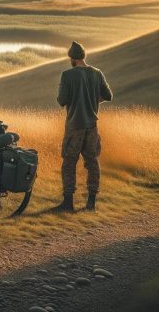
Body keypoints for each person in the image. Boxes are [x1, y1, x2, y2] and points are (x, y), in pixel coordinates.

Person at [54, 41, 112, 212]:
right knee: (92, 162)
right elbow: (108, 96)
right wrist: (93, 100)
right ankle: (91, 203)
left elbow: (62, 100)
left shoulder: (67, 75)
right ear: (84, 56)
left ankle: (68, 203)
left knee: (69, 163)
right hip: (92, 126)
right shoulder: (97, 73)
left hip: (74, 126)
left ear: (72, 58)